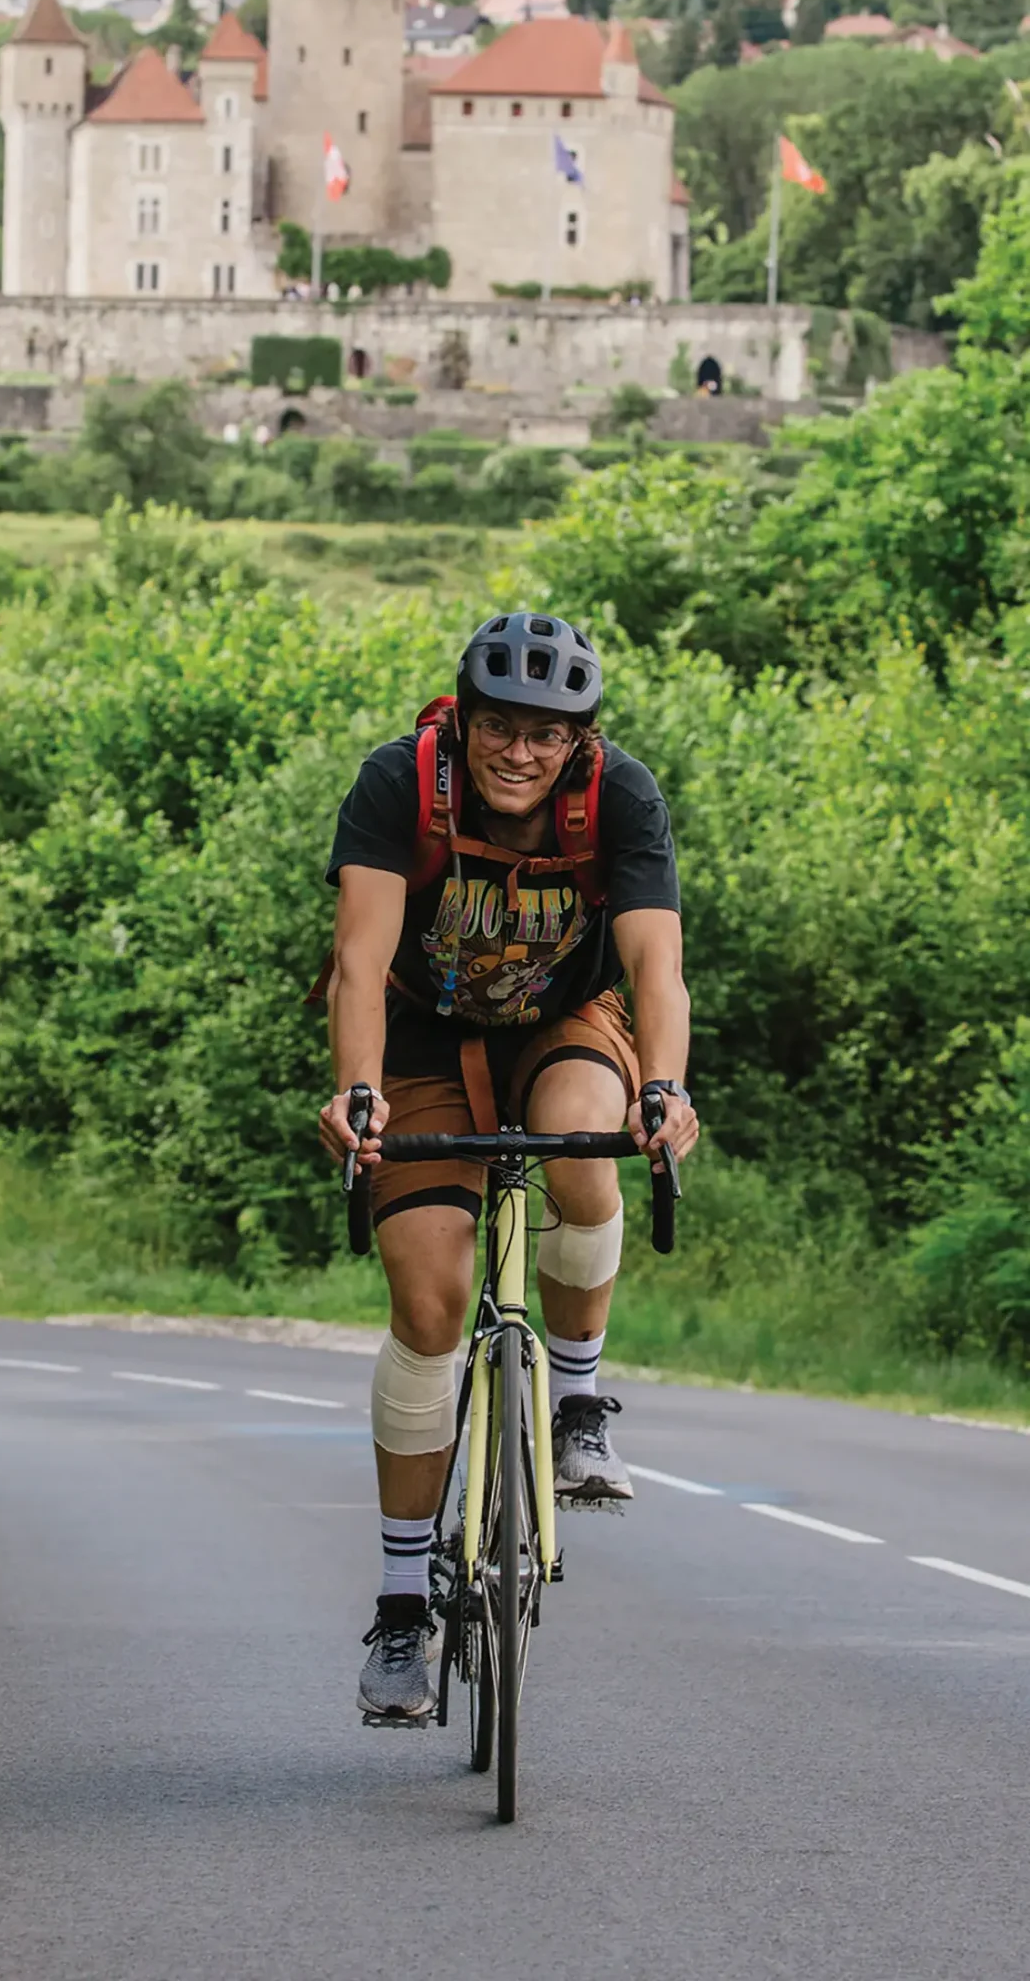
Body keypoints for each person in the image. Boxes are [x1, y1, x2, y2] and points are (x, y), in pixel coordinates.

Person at [318, 611, 699, 1720]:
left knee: (591, 1148)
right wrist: (359, 1089)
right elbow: (357, 958)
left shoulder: (618, 795)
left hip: (563, 1023)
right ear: (465, 720)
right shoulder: (402, 783)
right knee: (429, 1306)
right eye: (499, 727)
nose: (518, 752)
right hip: (422, 1038)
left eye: (545, 733)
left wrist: (665, 1086)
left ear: (580, 739)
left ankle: (577, 1403)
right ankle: (400, 1608)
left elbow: (655, 965)